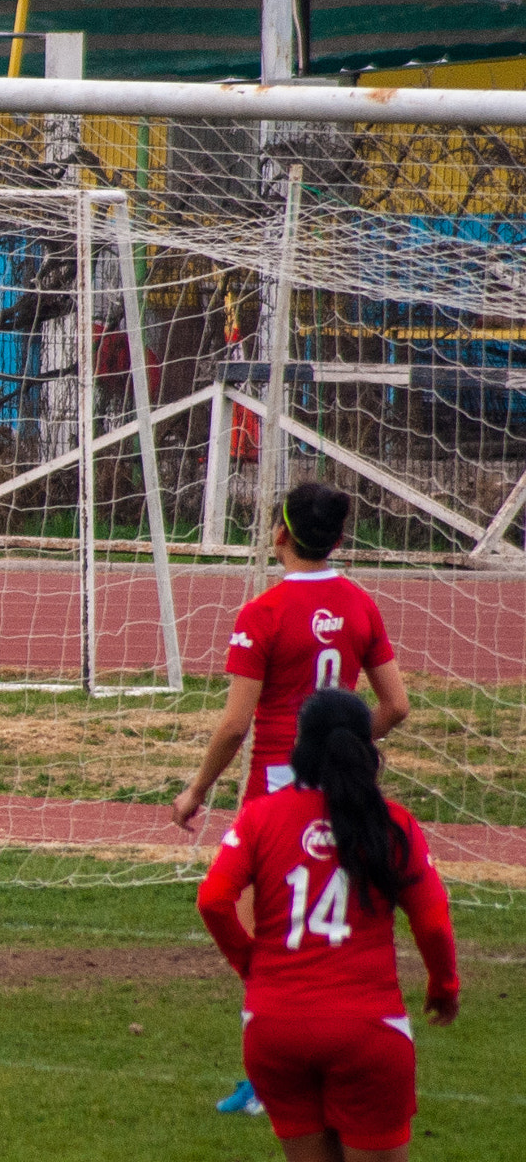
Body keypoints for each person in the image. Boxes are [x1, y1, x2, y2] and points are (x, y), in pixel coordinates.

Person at [172, 481, 412, 1116]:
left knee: (265, 943)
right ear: (337, 538)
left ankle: (269, 1081)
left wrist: (197, 788)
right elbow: (397, 705)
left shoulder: (265, 613)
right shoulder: (360, 604)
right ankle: (340, 1062)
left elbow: (233, 724)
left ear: (279, 533)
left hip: (274, 799)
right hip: (345, 796)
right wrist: (349, 751)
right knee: (339, 934)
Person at [198, 688, 459, 1162]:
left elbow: (214, 899)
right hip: (366, 1028)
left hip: (274, 1027)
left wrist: (250, 964)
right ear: (367, 751)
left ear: (299, 748)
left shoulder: (259, 817)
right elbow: (434, 923)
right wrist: (444, 984)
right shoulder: (391, 824)